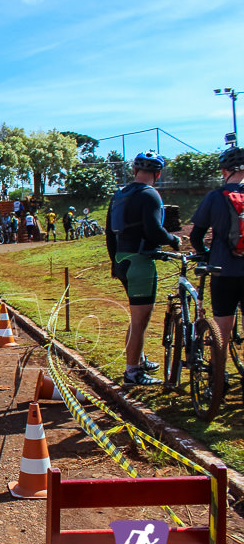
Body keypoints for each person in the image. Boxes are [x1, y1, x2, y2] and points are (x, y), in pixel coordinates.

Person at [105, 152, 180, 386]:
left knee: (136, 317)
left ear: (135, 170)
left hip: (122, 259)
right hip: (140, 260)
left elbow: (109, 233)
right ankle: (133, 372)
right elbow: (153, 230)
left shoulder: (119, 194)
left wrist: (114, 263)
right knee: (140, 321)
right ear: (158, 174)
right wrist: (173, 240)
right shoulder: (150, 194)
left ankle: (138, 358)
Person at [188, 146, 244, 390]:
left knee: (222, 326)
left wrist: (206, 255)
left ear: (224, 171)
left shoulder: (215, 196)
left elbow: (197, 235)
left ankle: (218, 378)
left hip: (223, 269)